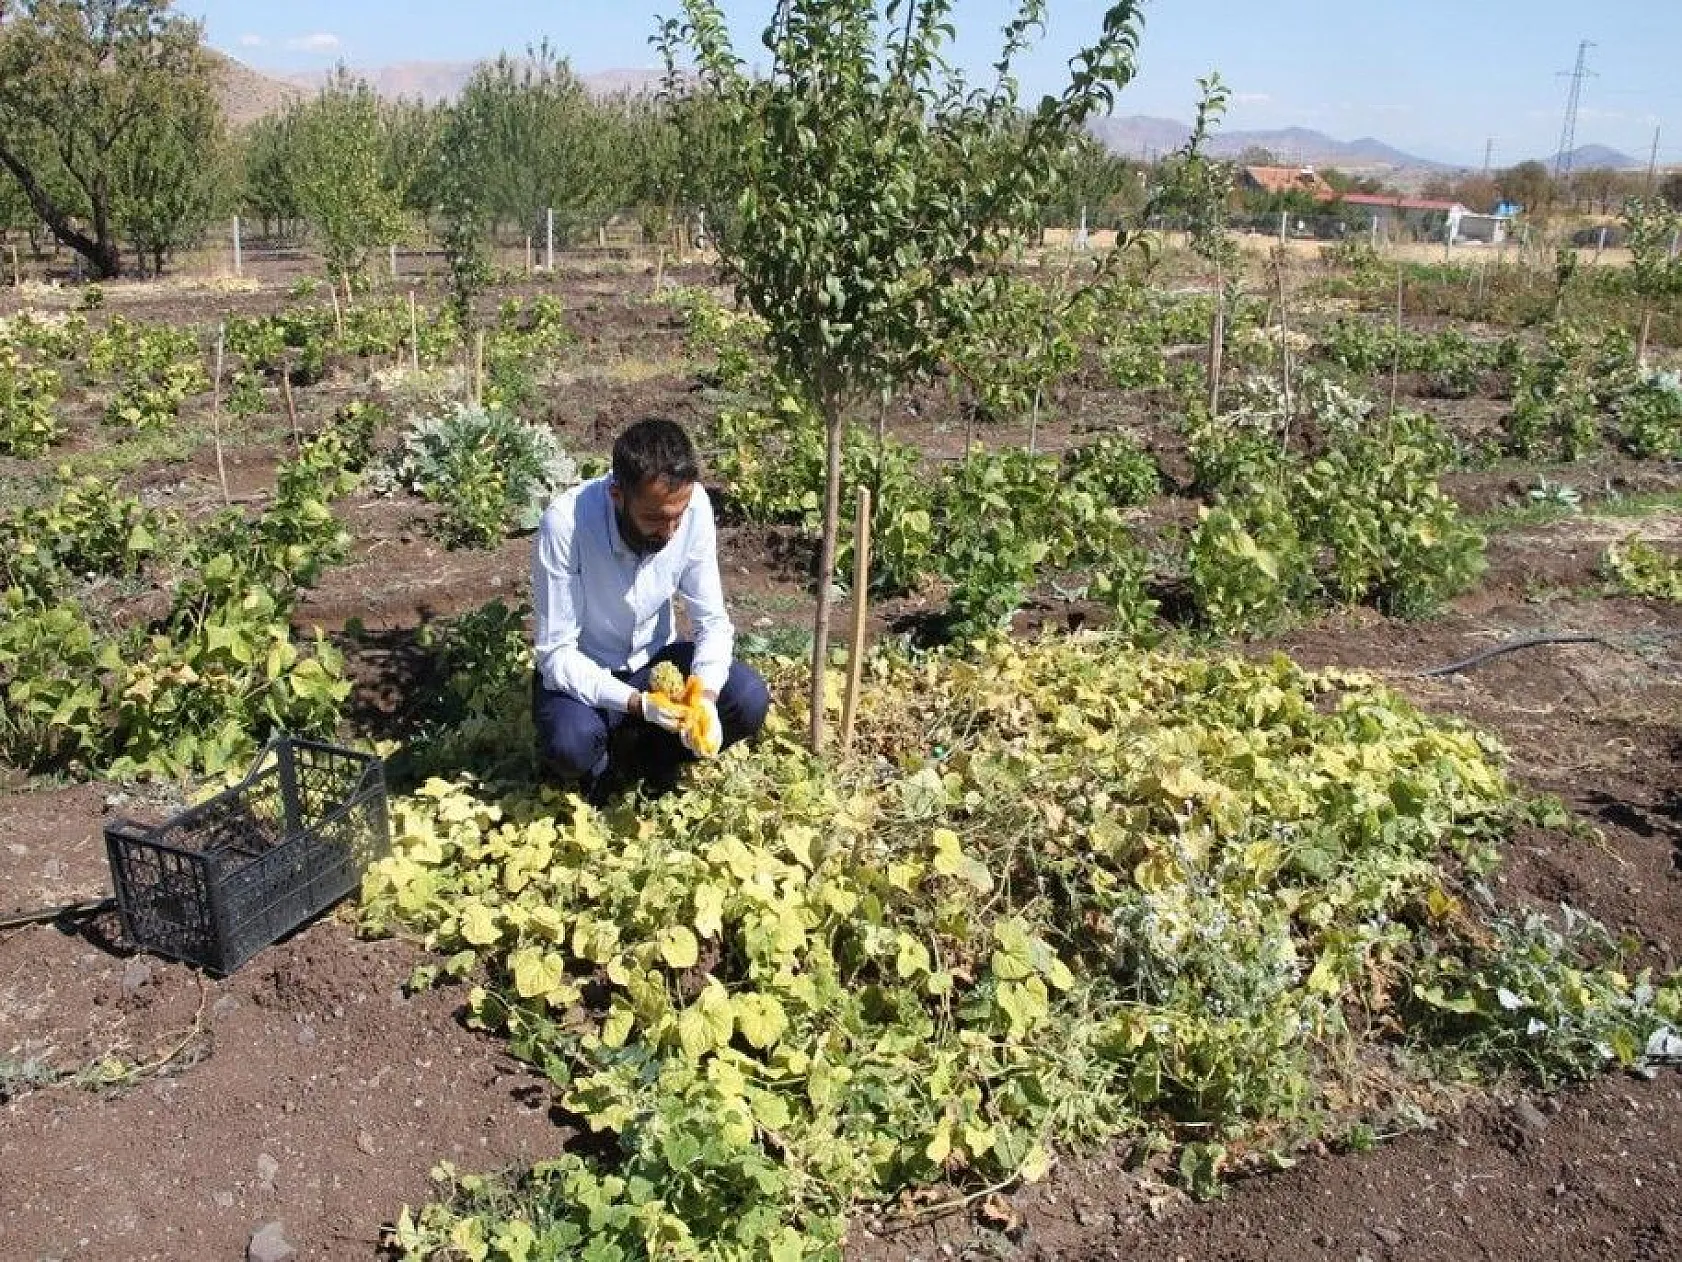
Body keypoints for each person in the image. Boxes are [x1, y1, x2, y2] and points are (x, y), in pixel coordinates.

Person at [531, 416, 770, 801]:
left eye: (678, 516)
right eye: (655, 518)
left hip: (655, 663)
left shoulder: (694, 509)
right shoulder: (566, 525)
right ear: (617, 495)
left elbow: (711, 622)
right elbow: (556, 655)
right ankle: (602, 767)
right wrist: (639, 705)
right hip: (588, 669)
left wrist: (704, 697)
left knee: (747, 697)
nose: (670, 531)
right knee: (570, 744)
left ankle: (652, 756)